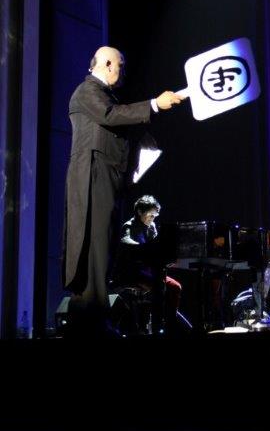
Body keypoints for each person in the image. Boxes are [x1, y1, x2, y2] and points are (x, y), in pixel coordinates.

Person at [62, 46, 182, 336]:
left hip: (106, 180)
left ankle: (92, 318)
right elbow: (111, 115)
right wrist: (154, 104)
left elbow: (117, 125)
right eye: (120, 65)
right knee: (94, 246)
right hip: (92, 179)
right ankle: (91, 319)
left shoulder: (104, 95)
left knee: (103, 247)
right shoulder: (87, 91)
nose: (123, 71)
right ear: (106, 64)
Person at [112, 194, 182, 334]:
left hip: (150, 272)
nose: (153, 218)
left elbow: (158, 246)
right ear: (140, 212)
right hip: (132, 273)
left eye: (155, 216)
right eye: (150, 215)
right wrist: (144, 248)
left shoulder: (152, 227)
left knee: (175, 287)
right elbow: (125, 241)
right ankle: (156, 326)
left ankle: (170, 323)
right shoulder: (129, 225)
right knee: (159, 286)